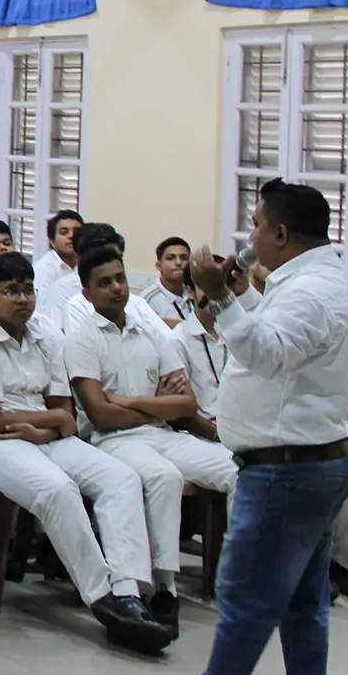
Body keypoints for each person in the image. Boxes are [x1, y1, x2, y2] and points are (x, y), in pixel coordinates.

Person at [136, 180, 348, 675]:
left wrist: (218, 296)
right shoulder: (319, 279)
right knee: (301, 600)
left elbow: (265, 354)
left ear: (281, 234)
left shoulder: (310, 293)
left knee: (246, 595)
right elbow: (278, 344)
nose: (251, 235)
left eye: (258, 224)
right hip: (314, 459)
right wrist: (239, 296)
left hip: (288, 469)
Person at [0, 252, 169, 651]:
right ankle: (102, 597)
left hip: (43, 435)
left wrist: (46, 426)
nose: (23, 299)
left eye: (28, 290)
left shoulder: (46, 334)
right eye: (11, 291)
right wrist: (50, 422)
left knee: (121, 478)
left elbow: (66, 413)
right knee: (57, 489)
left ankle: (129, 591)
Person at [64, 246, 237, 637]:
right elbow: (100, 415)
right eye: (104, 283)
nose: (116, 288)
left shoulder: (153, 334)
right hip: (112, 440)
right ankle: (164, 588)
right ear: (87, 293)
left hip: (162, 433)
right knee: (163, 476)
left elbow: (187, 404)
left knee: (237, 469)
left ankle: (239, 575)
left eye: (120, 279)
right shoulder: (81, 341)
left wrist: (128, 401)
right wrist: (157, 405)